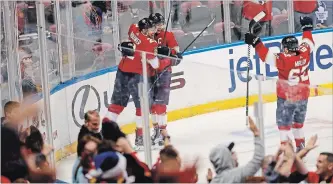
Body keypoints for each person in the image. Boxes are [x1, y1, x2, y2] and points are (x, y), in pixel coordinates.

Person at [245, 16, 315, 151]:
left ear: (287, 49)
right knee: (298, 125)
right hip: (303, 96)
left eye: (284, 48)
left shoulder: (284, 60)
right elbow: (308, 42)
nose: (283, 50)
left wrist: (256, 42)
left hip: (286, 98)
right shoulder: (305, 53)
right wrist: (307, 29)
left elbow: (266, 56)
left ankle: (286, 153)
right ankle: (301, 150)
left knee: (284, 127)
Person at [148, 13, 182, 147]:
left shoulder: (168, 35)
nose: (159, 27)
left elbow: (176, 53)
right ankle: (156, 129)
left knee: (161, 103)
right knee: (151, 104)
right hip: (150, 72)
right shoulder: (148, 36)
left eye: (160, 24)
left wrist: (167, 51)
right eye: (156, 25)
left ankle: (163, 130)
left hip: (164, 72)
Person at [209, 116, 264, 183]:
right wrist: (256, 134)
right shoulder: (235, 175)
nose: (233, 154)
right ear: (225, 158)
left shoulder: (214, 181)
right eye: (230, 153)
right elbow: (257, 160)